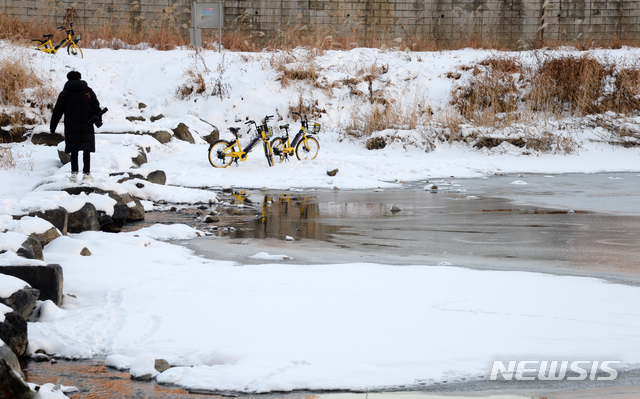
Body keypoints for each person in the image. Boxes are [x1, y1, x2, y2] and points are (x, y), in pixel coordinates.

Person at [50, 71, 102, 182]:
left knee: (74, 149)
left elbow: (57, 111)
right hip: (86, 124)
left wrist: (52, 127)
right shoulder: (88, 91)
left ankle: (74, 174)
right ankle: (87, 174)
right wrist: (98, 120)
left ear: (68, 79)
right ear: (79, 78)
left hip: (71, 125)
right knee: (86, 149)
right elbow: (96, 107)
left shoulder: (65, 93)